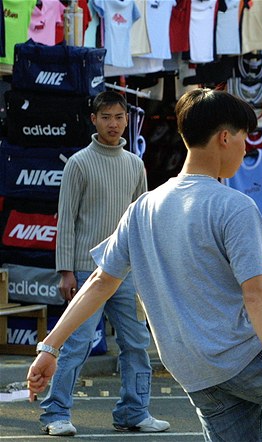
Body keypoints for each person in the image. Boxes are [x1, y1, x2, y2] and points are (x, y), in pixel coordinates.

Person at [28, 89, 262, 441]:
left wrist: (50, 348)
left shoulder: (144, 207)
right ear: (225, 137)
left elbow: (99, 281)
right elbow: (256, 295)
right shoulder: (232, 206)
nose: (244, 147)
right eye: (243, 138)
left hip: (193, 371)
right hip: (244, 357)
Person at [38, 91, 170, 436]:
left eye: (119, 117)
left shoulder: (134, 164)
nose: (113, 123)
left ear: (128, 120)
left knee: (137, 343)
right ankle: (55, 414)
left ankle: (134, 411)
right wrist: (65, 270)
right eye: (106, 116)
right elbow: (66, 220)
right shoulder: (78, 163)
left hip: (125, 270)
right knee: (77, 343)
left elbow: (140, 220)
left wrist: (144, 267)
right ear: (93, 120)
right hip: (85, 270)